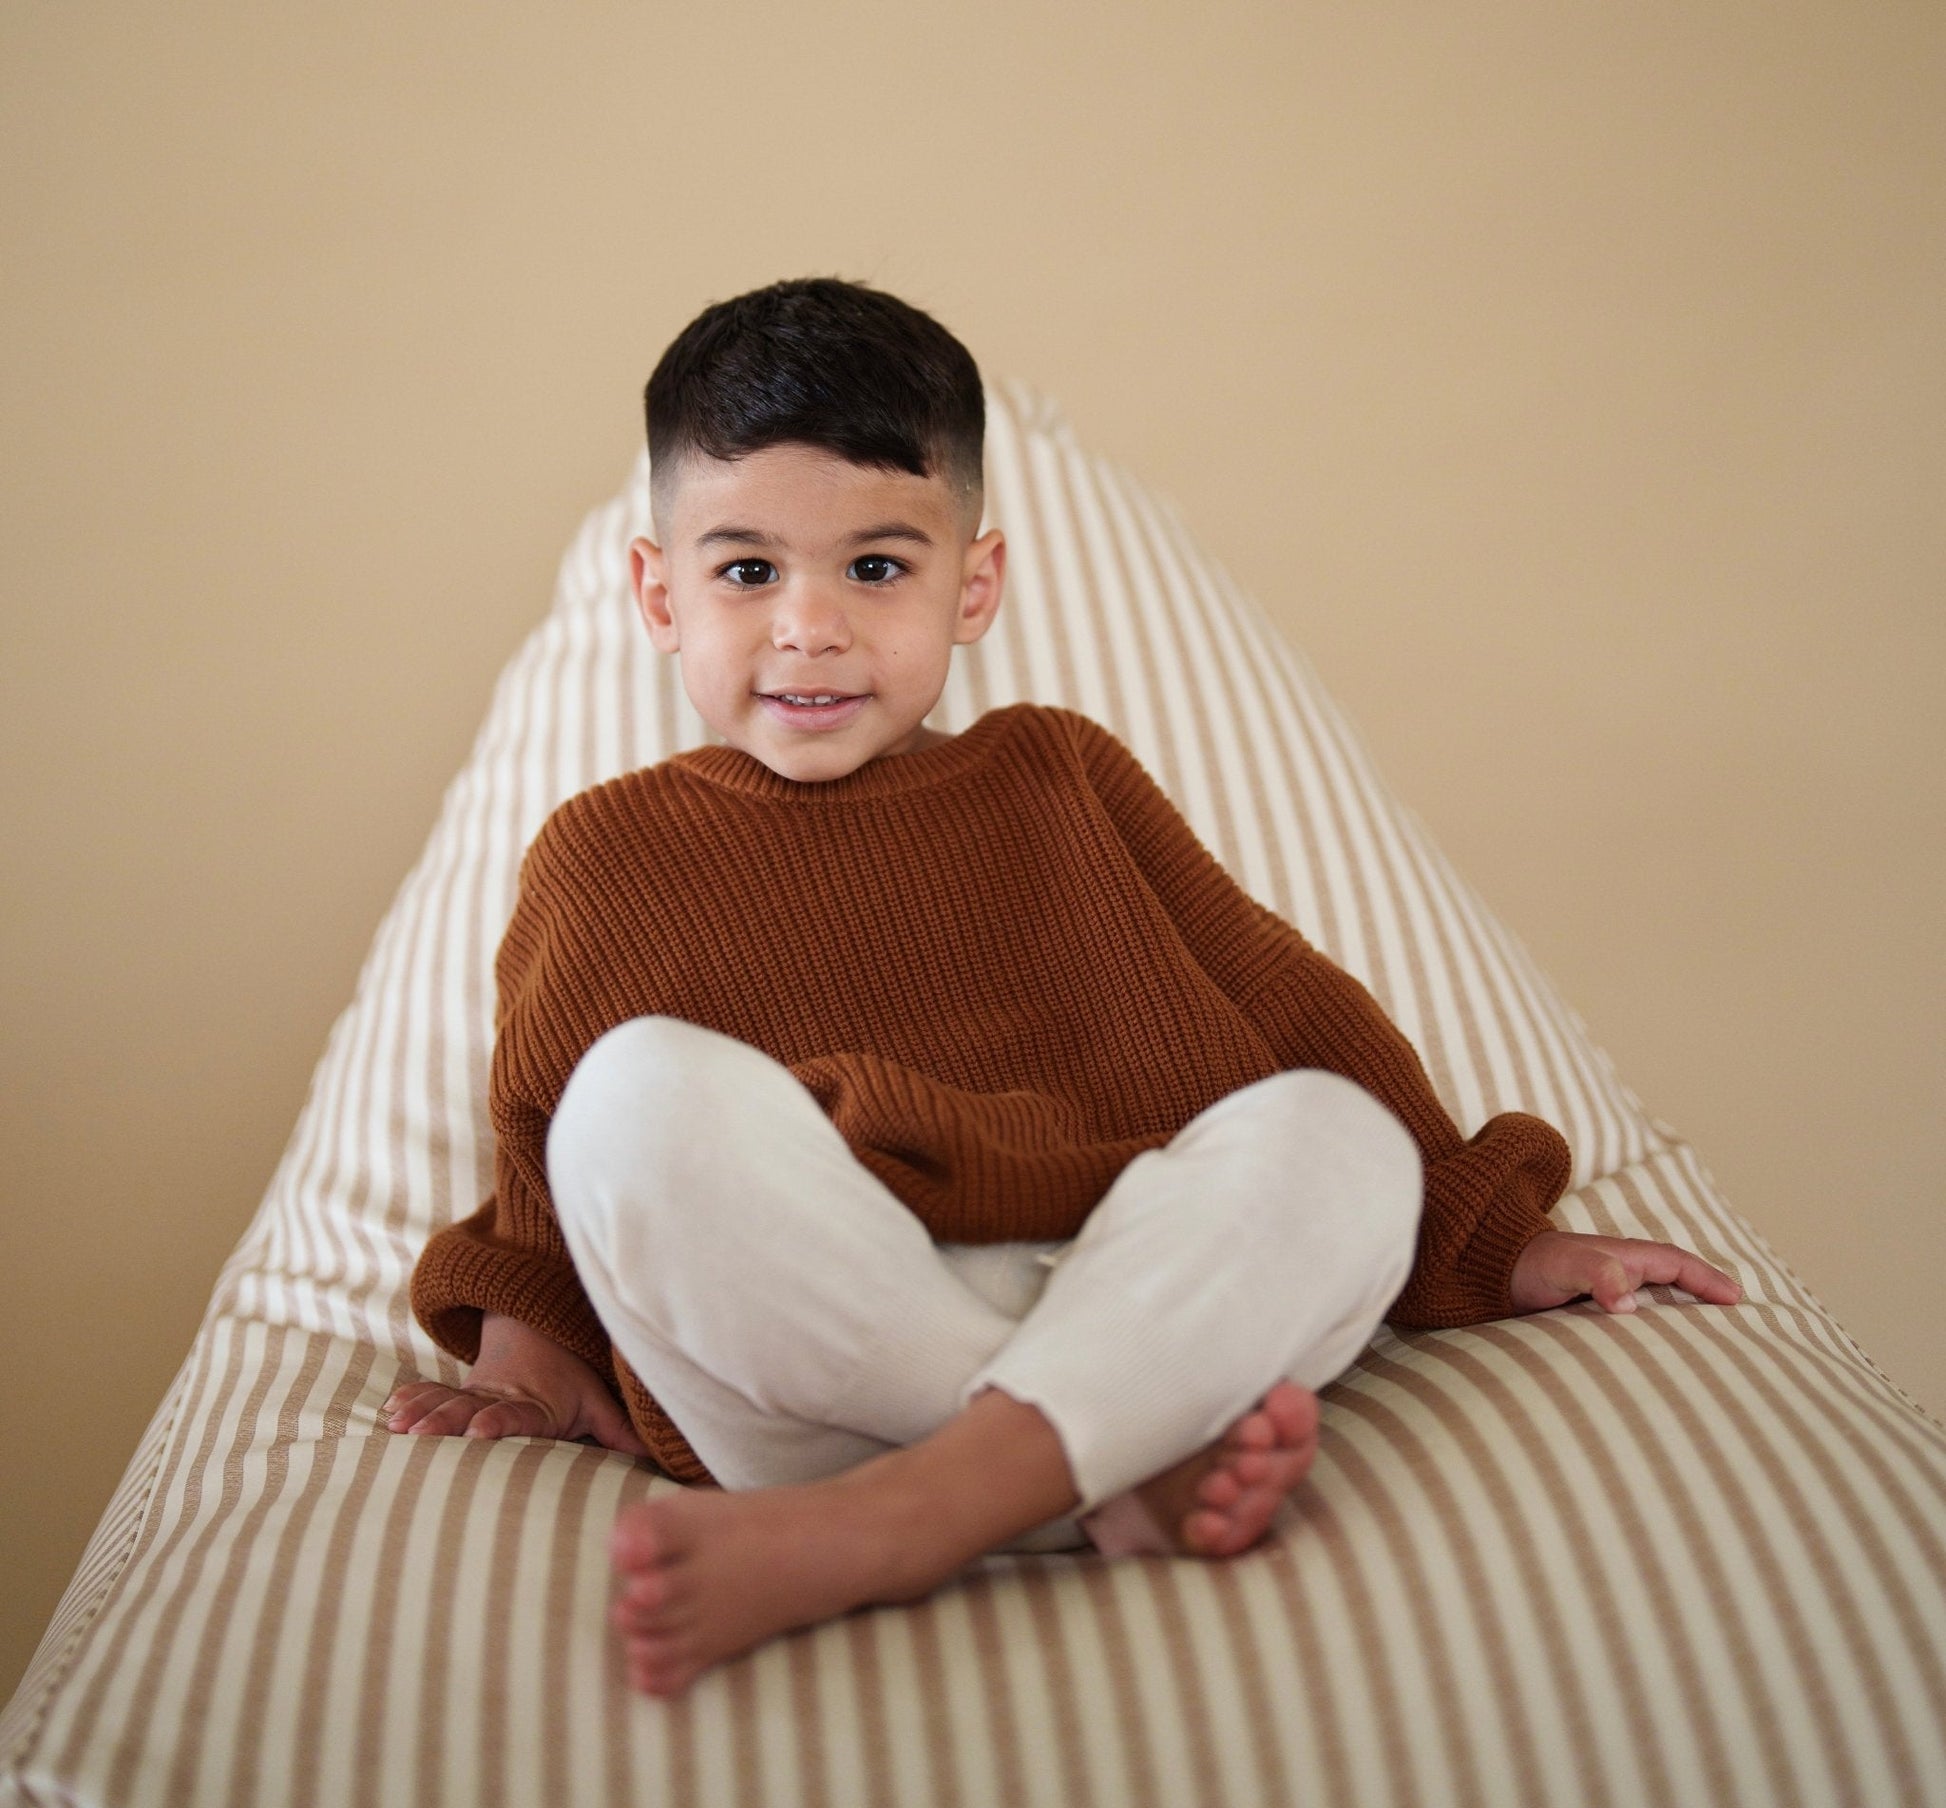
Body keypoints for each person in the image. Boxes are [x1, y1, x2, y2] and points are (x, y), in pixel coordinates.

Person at [388, 277, 1740, 1698]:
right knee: (631, 1096)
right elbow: (552, 1144)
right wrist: (525, 1361)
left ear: (971, 585)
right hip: (831, 1345)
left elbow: (1284, 1004)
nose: (808, 629)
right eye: (746, 573)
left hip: (1127, 1277)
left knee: (1329, 1132)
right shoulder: (608, 848)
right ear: (660, 593)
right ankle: (1099, 1464)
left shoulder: (1058, 773)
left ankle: (920, 1512)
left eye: (875, 568)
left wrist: (1490, 1238)